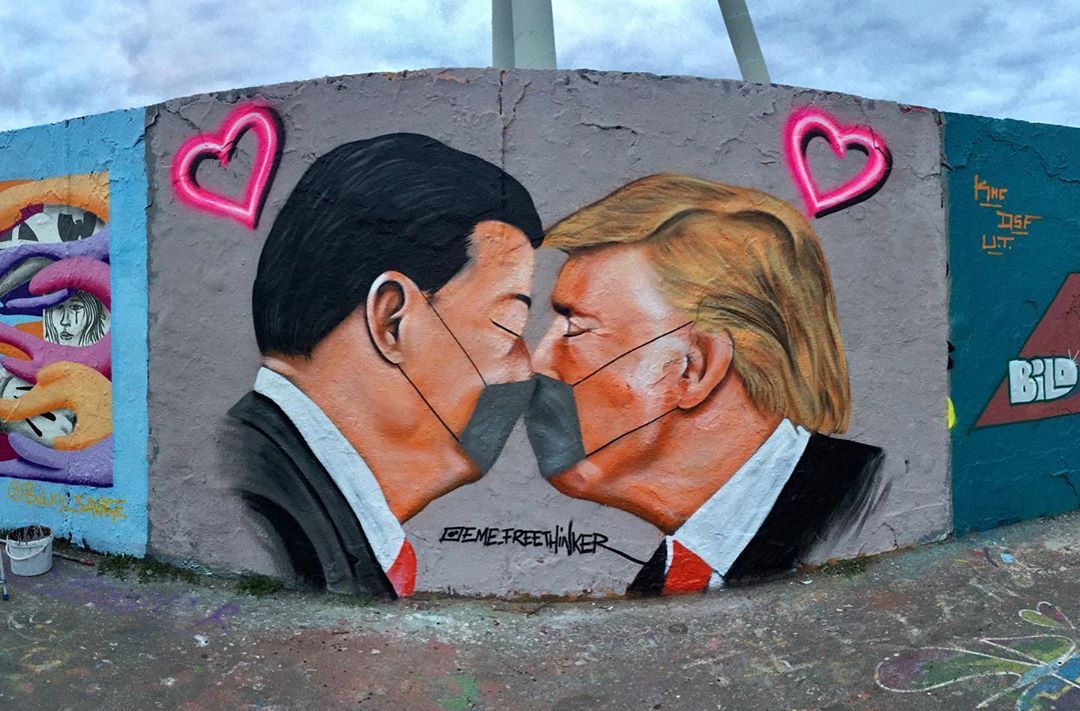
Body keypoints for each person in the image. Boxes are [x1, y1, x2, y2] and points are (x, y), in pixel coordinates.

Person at [530, 174, 884, 595]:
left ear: (695, 368)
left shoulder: (868, 520)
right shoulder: (677, 574)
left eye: (575, 328)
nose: (537, 362)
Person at [229, 134, 543, 597]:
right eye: (510, 325)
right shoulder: (266, 529)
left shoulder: (297, 505)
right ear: (392, 321)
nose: (528, 370)